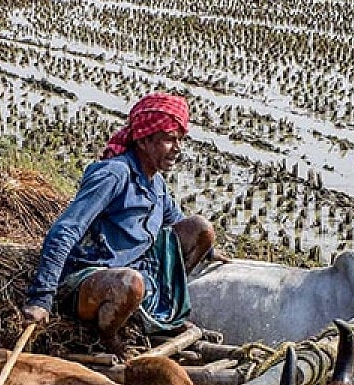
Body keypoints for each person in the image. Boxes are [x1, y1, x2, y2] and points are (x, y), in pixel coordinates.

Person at [20, 93, 224, 357]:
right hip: (93, 276)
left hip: (136, 270)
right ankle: (109, 337)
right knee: (130, 283)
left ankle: (160, 309)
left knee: (201, 228)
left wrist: (208, 250)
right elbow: (65, 230)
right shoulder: (114, 174)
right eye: (168, 139)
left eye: (180, 140)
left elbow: (177, 221)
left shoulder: (156, 183)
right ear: (144, 140)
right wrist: (41, 298)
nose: (177, 148)